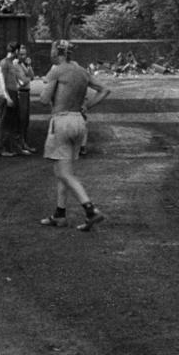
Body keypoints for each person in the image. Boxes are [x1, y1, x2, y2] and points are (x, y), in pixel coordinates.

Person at [36, 39, 110, 231]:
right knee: (63, 170)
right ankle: (59, 214)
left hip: (62, 121)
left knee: (64, 173)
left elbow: (44, 99)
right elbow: (105, 90)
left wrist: (47, 86)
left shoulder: (57, 70)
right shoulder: (82, 71)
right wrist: (87, 106)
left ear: (57, 52)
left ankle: (91, 210)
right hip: (79, 121)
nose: (51, 53)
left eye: (52, 49)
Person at [0, 42, 23, 156]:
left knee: (11, 123)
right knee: (5, 123)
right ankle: (1, 148)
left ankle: (9, 147)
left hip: (13, 93)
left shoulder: (11, 63)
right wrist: (7, 97)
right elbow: (2, 82)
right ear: (16, 51)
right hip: (7, 94)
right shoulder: (3, 63)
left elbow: (16, 80)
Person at [14, 44, 36, 154]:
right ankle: (20, 145)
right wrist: (28, 78)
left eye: (25, 54)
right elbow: (22, 82)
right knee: (21, 119)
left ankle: (24, 143)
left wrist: (29, 65)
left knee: (25, 120)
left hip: (26, 93)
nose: (23, 57)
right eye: (21, 54)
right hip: (20, 93)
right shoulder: (15, 64)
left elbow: (32, 76)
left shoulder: (23, 64)